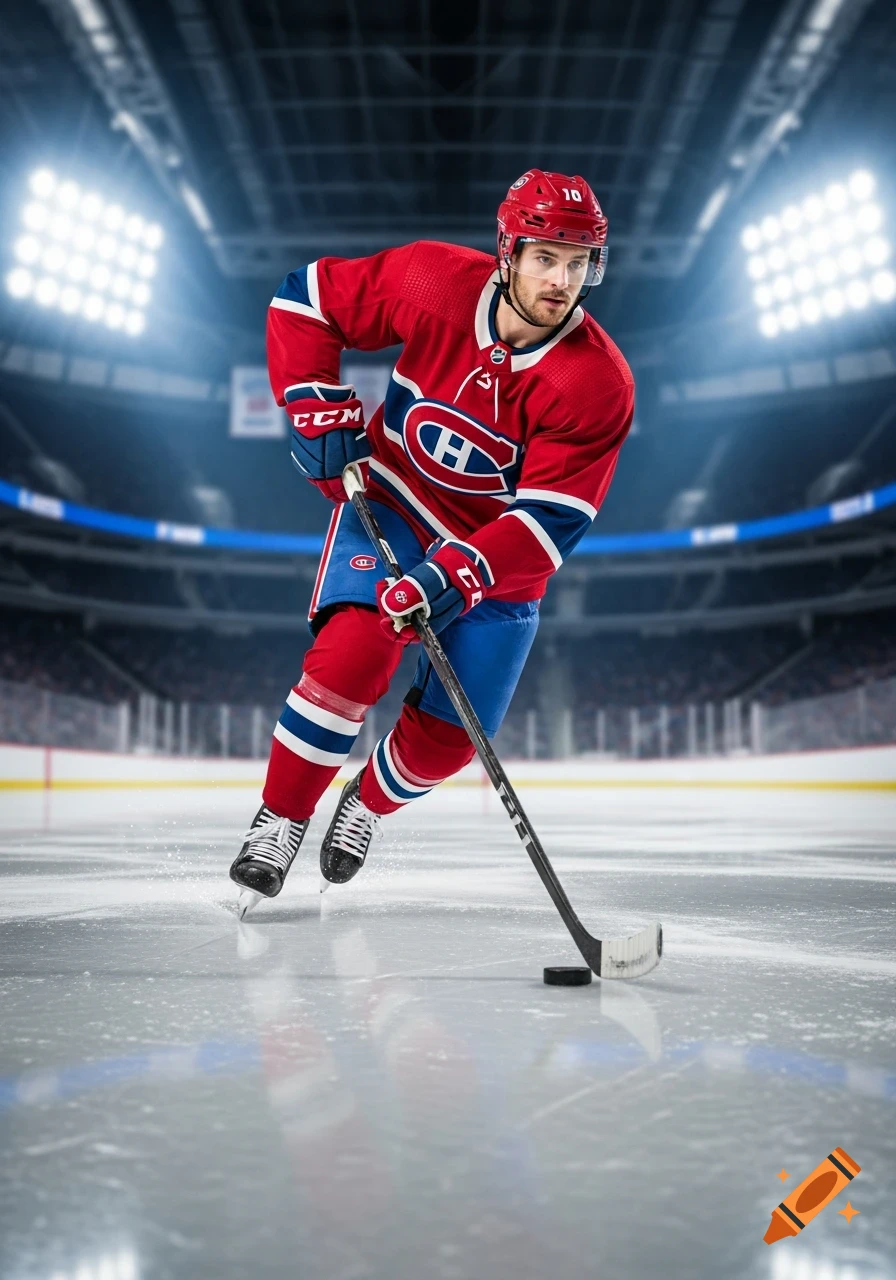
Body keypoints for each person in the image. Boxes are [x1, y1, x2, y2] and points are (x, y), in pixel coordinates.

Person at [229, 169, 634, 904]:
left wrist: (461, 572)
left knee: (448, 741)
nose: (561, 280)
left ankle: (365, 805)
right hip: (394, 505)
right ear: (507, 252)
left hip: (498, 563)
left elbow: (553, 520)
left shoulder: (598, 383)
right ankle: (280, 818)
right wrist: (311, 401)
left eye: (578, 264)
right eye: (546, 257)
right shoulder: (432, 280)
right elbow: (304, 299)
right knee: (352, 656)